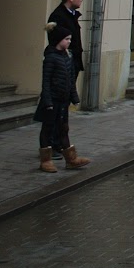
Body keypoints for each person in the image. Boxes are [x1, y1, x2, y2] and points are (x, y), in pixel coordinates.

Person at [34, 22, 88, 172]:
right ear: (58, 40)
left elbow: (71, 80)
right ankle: (46, 160)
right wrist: (47, 101)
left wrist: (74, 97)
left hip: (63, 100)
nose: (69, 42)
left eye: (70, 39)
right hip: (51, 101)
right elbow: (46, 81)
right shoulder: (50, 58)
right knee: (48, 129)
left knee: (64, 128)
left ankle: (71, 159)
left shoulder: (67, 56)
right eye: (67, 39)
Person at [46, 0, 84, 86]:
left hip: (73, 61)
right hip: (63, 62)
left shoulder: (73, 15)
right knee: (60, 92)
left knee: (68, 91)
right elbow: (55, 40)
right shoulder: (58, 16)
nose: (82, 0)